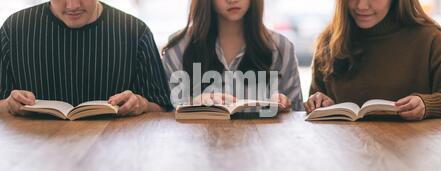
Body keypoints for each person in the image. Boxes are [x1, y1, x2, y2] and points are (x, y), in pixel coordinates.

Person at [0, 0, 172, 117]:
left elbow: (163, 108)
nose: (73, 5)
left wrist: (141, 104)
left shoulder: (136, 33)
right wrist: (8, 104)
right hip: (32, 154)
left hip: (116, 155)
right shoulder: (13, 31)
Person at [305, 0, 441, 121]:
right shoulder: (329, 41)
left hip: (412, 151)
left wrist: (428, 105)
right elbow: (313, 113)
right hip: (345, 151)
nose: (361, 5)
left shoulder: (430, 39)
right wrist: (318, 102)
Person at [162, 0, 303, 112]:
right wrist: (192, 105)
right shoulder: (178, 49)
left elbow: (297, 112)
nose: (232, 0)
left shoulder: (280, 48)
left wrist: (284, 105)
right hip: (197, 144)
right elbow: (165, 113)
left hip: (262, 144)